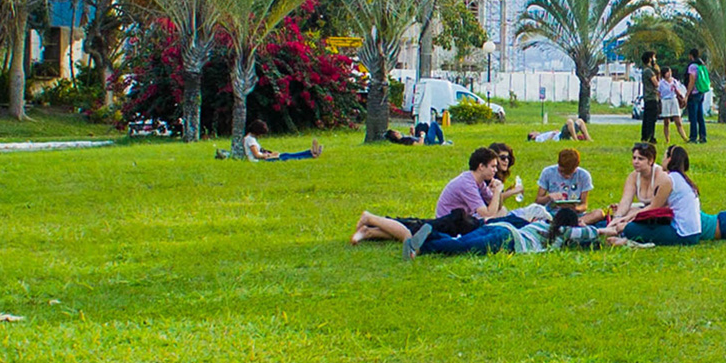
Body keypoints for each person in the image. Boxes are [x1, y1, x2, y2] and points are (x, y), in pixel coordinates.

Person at [350, 147, 503, 244]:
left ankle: (369, 232)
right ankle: (370, 218)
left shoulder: (480, 182)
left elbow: (496, 209)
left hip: (457, 222)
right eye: (493, 166)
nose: (495, 170)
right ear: (481, 166)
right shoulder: (467, 183)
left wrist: (498, 191)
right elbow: (488, 214)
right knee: (410, 231)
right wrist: (497, 192)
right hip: (448, 221)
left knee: (414, 230)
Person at [534, 147, 593, 218]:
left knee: (599, 213)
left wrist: (576, 209)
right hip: (552, 213)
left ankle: (578, 222)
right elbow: (538, 200)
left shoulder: (584, 175)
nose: (566, 176)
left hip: (575, 214)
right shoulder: (548, 172)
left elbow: (584, 205)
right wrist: (549, 197)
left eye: (570, 173)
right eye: (562, 172)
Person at [244, 119, 323, 161]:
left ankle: (310, 152)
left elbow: (259, 152)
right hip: (260, 160)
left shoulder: (251, 138)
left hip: (264, 158)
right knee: (286, 157)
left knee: (286, 154)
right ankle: (310, 155)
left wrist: (269, 153)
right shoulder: (250, 140)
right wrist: (269, 155)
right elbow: (256, 155)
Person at [686, 50, 711, 144]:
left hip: (694, 93)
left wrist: (688, 93)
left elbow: (692, 80)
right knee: (700, 116)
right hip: (701, 92)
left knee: (693, 117)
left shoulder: (692, 66)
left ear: (690, 56)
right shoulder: (702, 65)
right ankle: (703, 136)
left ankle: (693, 137)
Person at [659, 67, 688, 144]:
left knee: (678, 121)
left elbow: (677, 91)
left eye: (670, 72)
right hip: (665, 101)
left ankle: (685, 138)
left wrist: (681, 98)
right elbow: (659, 93)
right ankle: (667, 139)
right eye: (667, 72)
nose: (669, 74)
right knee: (666, 122)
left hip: (673, 100)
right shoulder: (661, 83)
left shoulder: (674, 81)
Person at [639, 53, 660, 141]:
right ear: (650, 59)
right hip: (651, 96)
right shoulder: (649, 71)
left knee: (647, 117)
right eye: (653, 57)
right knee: (651, 118)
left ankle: (646, 136)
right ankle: (650, 136)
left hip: (648, 97)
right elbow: (656, 83)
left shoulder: (646, 70)